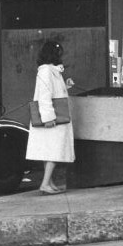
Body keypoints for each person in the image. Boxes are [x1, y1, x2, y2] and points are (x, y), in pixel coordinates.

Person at [26, 40, 74, 195]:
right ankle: (45, 184)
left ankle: (49, 183)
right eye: (59, 53)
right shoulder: (47, 71)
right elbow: (44, 96)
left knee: (49, 151)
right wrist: (48, 118)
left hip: (52, 117)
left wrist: (65, 86)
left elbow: (50, 92)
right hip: (52, 118)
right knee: (54, 150)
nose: (61, 56)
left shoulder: (51, 71)